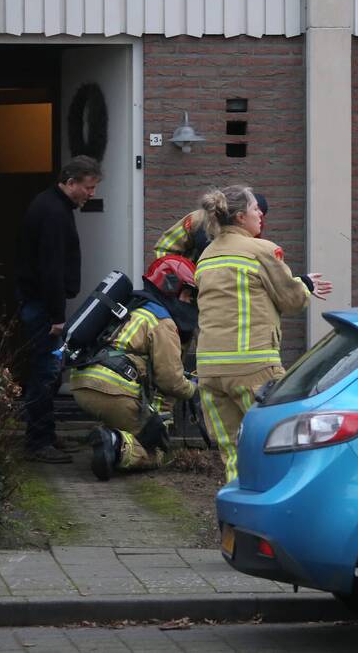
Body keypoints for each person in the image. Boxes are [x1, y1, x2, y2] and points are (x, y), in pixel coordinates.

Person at [194, 185, 332, 482]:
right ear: (241, 217)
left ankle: (235, 505)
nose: (260, 214)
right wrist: (305, 285)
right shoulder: (262, 250)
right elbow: (291, 300)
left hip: (209, 371)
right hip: (253, 367)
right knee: (276, 442)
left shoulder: (207, 255)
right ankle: (273, 506)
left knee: (232, 450)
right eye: (256, 208)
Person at [71, 255, 200, 480]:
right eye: (188, 294)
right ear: (171, 287)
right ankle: (114, 443)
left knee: (131, 420)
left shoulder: (132, 306)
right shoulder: (163, 322)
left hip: (82, 383)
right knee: (155, 450)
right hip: (113, 391)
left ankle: (111, 435)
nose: (190, 302)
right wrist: (193, 388)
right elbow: (170, 381)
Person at [16, 155, 102, 464]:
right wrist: (56, 316)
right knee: (46, 372)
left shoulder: (51, 205)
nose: (91, 193)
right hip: (43, 306)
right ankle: (38, 442)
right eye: (88, 187)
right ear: (70, 182)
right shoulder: (54, 212)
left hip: (40, 303)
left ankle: (45, 435)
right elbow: (50, 268)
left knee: (48, 371)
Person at [153, 194, 269, 261]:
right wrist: (178, 282)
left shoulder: (254, 228)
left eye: (260, 213)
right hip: (190, 285)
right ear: (240, 214)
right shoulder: (197, 219)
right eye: (254, 209)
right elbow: (164, 249)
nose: (258, 215)